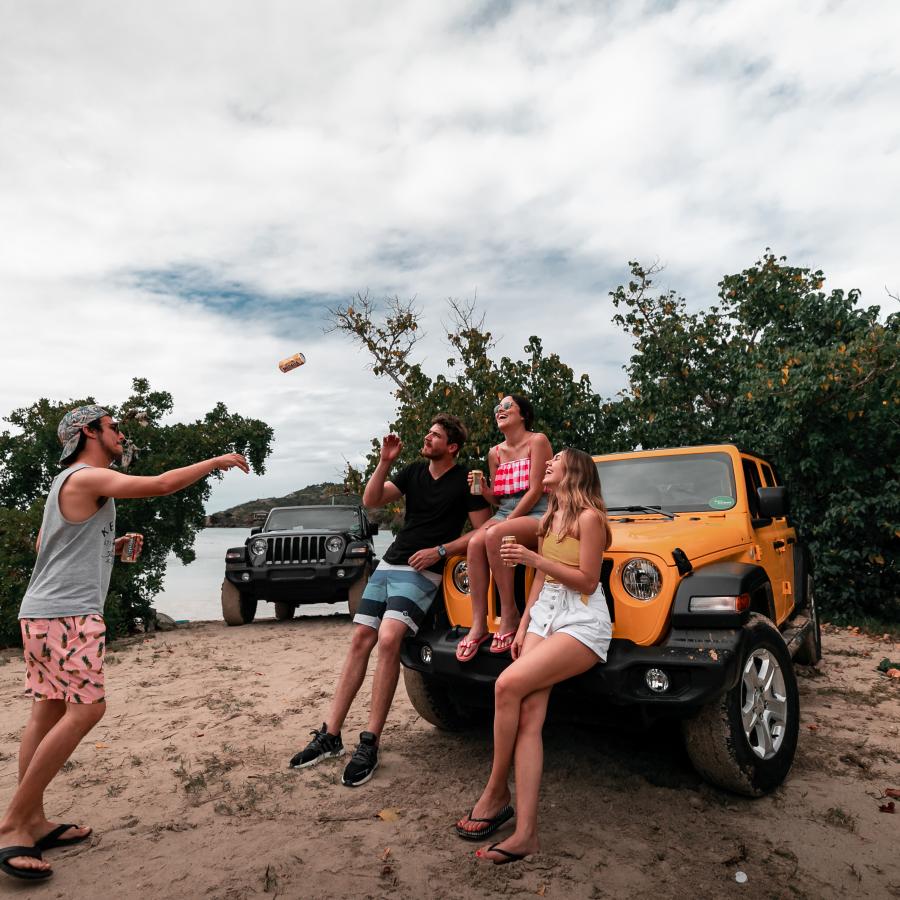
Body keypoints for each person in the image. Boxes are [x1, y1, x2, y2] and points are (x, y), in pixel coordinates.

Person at [0, 405, 249, 881]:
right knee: (87, 710)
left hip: (43, 611)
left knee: (48, 710)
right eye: (113, 427)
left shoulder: (68, 483)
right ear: (88, 432)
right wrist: (215, 462)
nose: (120, 433)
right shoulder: (85, 477)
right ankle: (12, 825)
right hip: (67, 614)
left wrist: (104, 547)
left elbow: (43, 546)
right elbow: (160, 485)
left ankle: (32, 819)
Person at [288, 414, 491, 786]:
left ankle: (370, 742)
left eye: (435, 435)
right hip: (390, 564)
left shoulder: (466, 481)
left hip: (422, 571)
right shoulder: (413, 471)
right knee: (360, 639)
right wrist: (385, 462)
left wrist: (441, 550)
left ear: (452, 447)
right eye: (429, 433)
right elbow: (372, 500)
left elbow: (485, 530)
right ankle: (331, 735)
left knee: (389, 639)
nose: (427, 438)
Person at [455, 448, 612, 864]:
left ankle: (494, 790)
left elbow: (588, 580)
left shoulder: (589, 518)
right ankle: (526, 834)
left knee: (506, 685)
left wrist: (531, 557)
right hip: (542, 615)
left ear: (573, 471)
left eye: (555, 460)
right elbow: (540, 579)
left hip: (581, 618)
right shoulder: (548, 518)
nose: (547, 464)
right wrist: (524, 626)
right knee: (528, 715)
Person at [456, 395, 552, 661]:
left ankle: (509, 614)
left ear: (523, 415)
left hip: (538, 511)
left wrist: (507, 523)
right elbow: (499, 501)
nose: (500, 409)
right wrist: (486, 491)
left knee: (494, 534)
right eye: (497, 407)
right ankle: (479, 623)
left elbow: (535, 491)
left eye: (508, 406)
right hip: (506, 511)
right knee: (475, 542)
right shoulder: (494, 453)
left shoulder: (538, 441)